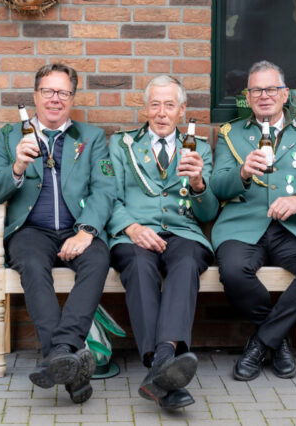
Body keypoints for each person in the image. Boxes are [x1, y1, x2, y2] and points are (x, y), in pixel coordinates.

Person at [0, 63, 115, 403]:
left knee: (98, 259)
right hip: (30, 232)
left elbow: (104, 190)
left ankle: (60, 353)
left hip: (76, 229)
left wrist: (86, 231)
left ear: (72, 98)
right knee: (31, 264)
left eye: (63, 92)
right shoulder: (10, 136)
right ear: (36, 95)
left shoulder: (91, 137)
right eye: (49, 91)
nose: (56, 99)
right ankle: (67, 360)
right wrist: (17, 167)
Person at [210, 60, 296, 381]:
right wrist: (242, 172)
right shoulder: (231, 134)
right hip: (242, 225)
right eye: (256, 90)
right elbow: (217, 186)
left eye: (271, 89)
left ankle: (259, 344)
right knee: (234, 272)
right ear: (247, 97)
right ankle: (278, 342)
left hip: (291, 228)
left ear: (285, 94)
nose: (264, 96)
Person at [107, 75, 219, 409]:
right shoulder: (123, 145)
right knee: (139, 265)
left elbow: (208, 212)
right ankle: (165, 367)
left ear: (182, 110)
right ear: (144, 108)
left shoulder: (198, 148)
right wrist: (131, 227)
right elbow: (108, 196)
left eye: (169, 105)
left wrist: (198, 184)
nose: (161, 112)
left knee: (187, 262)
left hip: (184, 232)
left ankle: (161, 360)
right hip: (135, 233)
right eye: (154, 104)